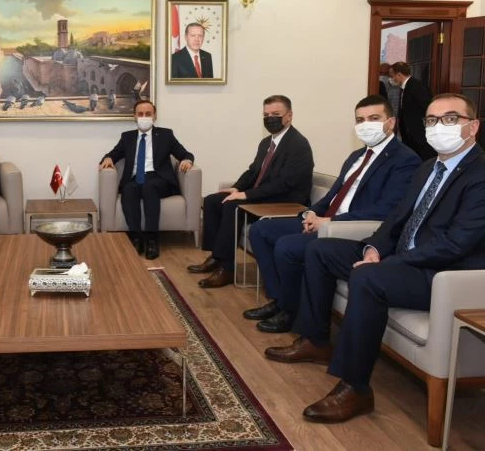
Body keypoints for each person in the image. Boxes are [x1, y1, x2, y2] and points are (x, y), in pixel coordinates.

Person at [265, 93, 485, 424]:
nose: (439, 127)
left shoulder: (479, 175)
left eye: (450, 119)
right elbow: (396, 219)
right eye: (431, 120)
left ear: (473, 127)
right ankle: (316, 340)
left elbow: (457, 244)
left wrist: (390, 263)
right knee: (320, 250)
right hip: (402, 257)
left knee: (367, 277)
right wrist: (375, 248)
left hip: (440, 274)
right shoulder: (428, 168)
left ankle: (355, 388)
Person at [244, 96, 420, 333]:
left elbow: (387, 209)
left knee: (287, 246)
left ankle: (290, 312)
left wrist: (330, 221)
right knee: (260, 230)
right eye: (360, 120)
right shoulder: (356, 156)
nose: (365, 125)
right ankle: (280, 299)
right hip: (326, 220)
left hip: (349, 229)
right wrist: (310, 214)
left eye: (373, 118)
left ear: (391, 122)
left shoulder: (405, 160)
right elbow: (332, 196)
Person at [189, 95, 313, 288]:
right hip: (265, 196)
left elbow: (284, 184)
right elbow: (253, 171)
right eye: (266, 115)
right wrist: (237, 187)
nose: (270, 118)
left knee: (232, 206)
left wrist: (246, 195)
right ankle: (216, 257)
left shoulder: (298, 144)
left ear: (289, 116)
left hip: (284, 201)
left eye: (275, 114)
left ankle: (227, 269)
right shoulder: (266, 143)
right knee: (213, 200)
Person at [99, 100, 194, 260]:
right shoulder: (127, 137)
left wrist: (187, 160)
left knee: (150, 187)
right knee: (129, 189)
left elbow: (185, 154)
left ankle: (152, 240)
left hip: (159, 179)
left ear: (154, 116)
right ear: (135, 116)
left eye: (148, 114)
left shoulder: (166, 135)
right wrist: (108, 158)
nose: (144, 117)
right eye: (140, 114)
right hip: (136, 178)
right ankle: (136, 238)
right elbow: (113, 154)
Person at [390, 61, 434, 160]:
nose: (392, 79)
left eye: (392, 76)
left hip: (419, 133)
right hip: (409, 134)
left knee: (423, 159)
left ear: (399, 75)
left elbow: (427, 107)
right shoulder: (404, 87)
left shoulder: (416, 86)